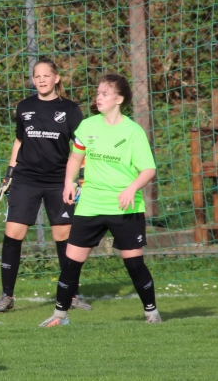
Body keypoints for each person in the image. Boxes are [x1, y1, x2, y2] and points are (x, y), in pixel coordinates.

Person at [40, 74, 160, 328]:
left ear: (119, 99)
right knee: (71, 262)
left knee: (134, 264)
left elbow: (148, 170)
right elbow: (75, 158)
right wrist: (69, 182)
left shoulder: (133, 132)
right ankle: (60, 316)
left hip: (125, 206)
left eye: (105, 93)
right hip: (91, 204)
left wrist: (131, 188)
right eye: (98, 93)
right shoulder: (88, 126)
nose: (99, 97)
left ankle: (151, 312)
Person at [0, 58, 90, 313]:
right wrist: (9, 174)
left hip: (59, 180)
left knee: (63, 236)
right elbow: (19, 142)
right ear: (33, 80)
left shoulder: (70, 109)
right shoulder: (24, 106)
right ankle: (7, 295)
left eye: (46, 76)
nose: (42, 80)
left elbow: (81, 147)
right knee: (13, 233)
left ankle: (71, 294)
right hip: (26, 178)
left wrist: (79, 178)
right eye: (37, 76)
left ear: (56, 78)